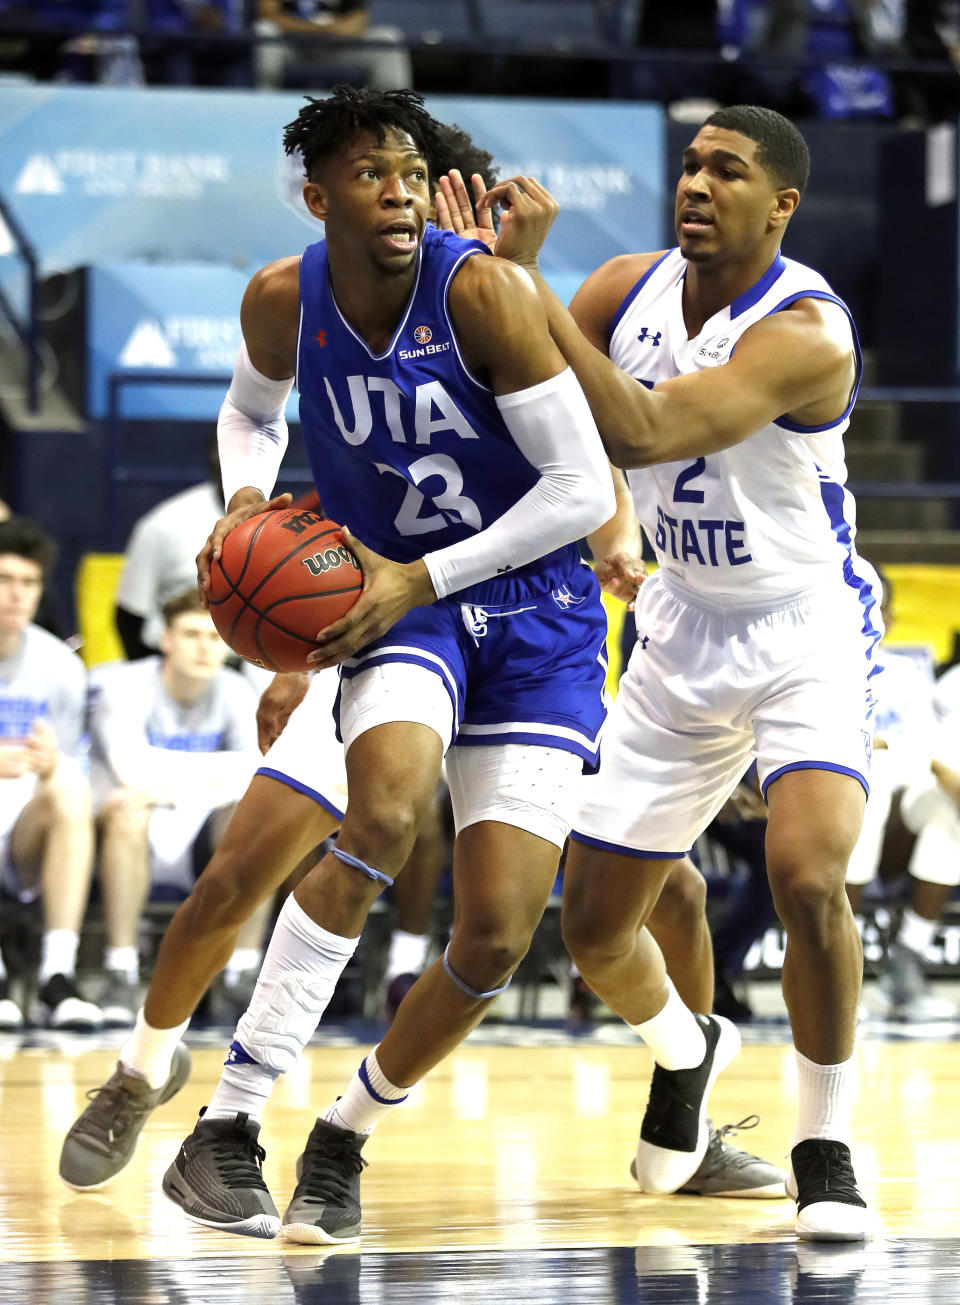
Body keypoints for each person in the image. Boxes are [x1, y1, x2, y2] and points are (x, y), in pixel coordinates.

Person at [58, 99, 772, 1218]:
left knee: (498, 932)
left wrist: (422, 576)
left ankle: (347, 1139)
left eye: (413, 175)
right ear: (320, 197)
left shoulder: (489, 292)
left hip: (529, 615)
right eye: (373, 175)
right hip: (393, 601)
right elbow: (251, 413)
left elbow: (586, 490)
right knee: (361, 827)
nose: (399, 193)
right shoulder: (283, 298)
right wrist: (251, 494)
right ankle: (221, 1113)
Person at [469, 103, 881, 1242]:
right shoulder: (620, 288)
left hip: (805, 629)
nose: (697, 185)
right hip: (677, 625)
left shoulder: (806, 331)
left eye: (728, 172)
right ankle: (691, 1051)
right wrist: (603, 520)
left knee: (806, 878)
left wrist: (526, 283)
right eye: (691, 166)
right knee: (598, 934)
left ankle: (826, 1146)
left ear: (780, 205)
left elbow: (645, 429)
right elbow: (555, 413)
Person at [87, 589, 262, 1027]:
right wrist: (215, 776)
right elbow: (131, 769)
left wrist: (170, 790)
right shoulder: (122, 687)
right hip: (127, 830)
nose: (205, 647)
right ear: (165, 639)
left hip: (199, 824)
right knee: (128, 813)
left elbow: (261, 769)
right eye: (191, 634)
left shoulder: (238, 690)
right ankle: (121, 970)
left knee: (260, 815)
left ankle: (241, 974)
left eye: (214, 636)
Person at [0, 516, 102, 1031]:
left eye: (29, 583)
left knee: (68, 784)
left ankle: (55, 975)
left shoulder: (60, 664)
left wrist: (52, 760)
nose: (18, 595)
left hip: (23, 828)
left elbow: (75, 759)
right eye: (5, 580)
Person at [114, 431, 224, 660]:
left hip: (246, 665)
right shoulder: (164, 525)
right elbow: (129, 617)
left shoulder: (276, 523)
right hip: (172, 661)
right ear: (212, 459)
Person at [253, 0, 412, 94]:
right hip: (292, 46)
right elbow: (269, 14)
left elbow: (359, 20)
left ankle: (396, 109)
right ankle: (267, 98)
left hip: (337, 47)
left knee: (387, 37)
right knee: (264, 30)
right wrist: (313, 29)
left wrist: (335, 30)